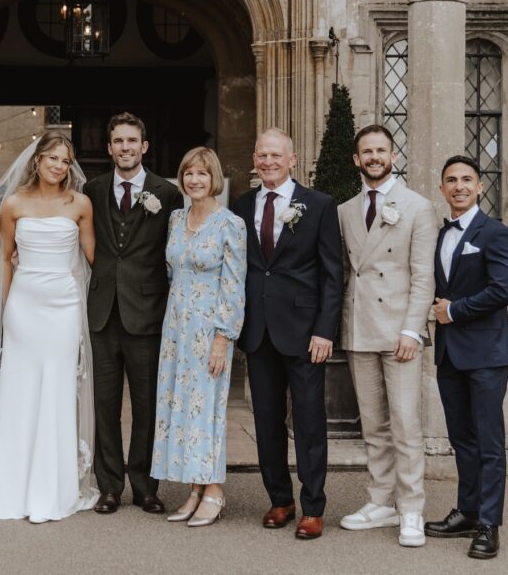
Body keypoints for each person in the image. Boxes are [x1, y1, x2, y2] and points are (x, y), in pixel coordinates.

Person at [0, 131, 100, 523]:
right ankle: (13, 488)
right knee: (20, 390)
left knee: (57, 389)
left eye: (65, 160)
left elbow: (92, 257)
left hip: (63, 306)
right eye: (52, 158)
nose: (58, 166)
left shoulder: (80, 203)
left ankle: (52, 489)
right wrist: (8, 307)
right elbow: (6, 259)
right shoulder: (13, 203)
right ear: (37, 160)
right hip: (24, 305)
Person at [230, 128, 343, 540]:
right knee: (267, 422)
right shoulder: (241, 205)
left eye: (276, 155)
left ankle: (313, 507)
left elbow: (333, 275)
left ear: (292, 159)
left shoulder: (318, 205)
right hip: (259, 332)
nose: (268, 162)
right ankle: (280, 499)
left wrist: (324, 330)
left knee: (310, 422)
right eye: (262, 155)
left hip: (304, 332)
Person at [337, 125, 438, 547]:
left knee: (405, 424)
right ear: (356, 160)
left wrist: (413, 329)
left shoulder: (418, 207)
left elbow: (423, 275)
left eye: (381, 150)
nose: (374, 157)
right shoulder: (345, 210)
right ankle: (380, 500)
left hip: (400, 332)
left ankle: (411, 507)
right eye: (367, 152)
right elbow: (346, 272)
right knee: (374, 424)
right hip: (359, 328)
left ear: (393, 156)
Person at [83, 112, 183, 516]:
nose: (125, 148)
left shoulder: (168, 193)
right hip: (102, 314)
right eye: (118, 141)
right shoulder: (92, 189)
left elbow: (175, 252)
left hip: (148, 313)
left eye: (132, 141)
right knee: (103, 406)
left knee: (147, 406)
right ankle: (109, 486)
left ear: (144, 147)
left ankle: (145, 486)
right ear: (109, 148)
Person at [425, 155, 508, 560]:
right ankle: (467, 510)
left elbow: (503, 290)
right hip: (450, 354)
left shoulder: (495, 233)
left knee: (488, 441)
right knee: (461, 438)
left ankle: (489, 524)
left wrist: (454, 311)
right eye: (451, 180)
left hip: (485, 354)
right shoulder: (441, 235)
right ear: (442, 188)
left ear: (480, 187)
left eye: (467, 179)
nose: (459, 186)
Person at [151, 147, 246, 527]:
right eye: (189, 173)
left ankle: (215, 489)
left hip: (209, 327)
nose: (194, 180)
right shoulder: (176, 219)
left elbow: (235, 283)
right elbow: (172, 274)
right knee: (180, 405)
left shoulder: (229, 224)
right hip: (176, 326)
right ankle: (195, 487)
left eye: (202, 174)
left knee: (207, 407)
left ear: (214, 179)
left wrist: (223, 336)